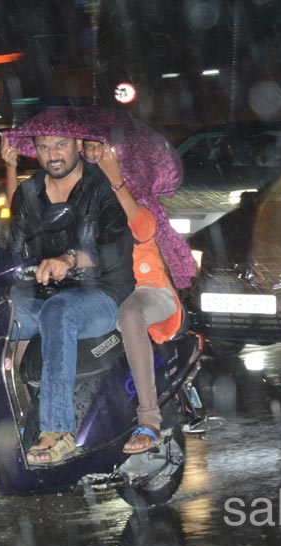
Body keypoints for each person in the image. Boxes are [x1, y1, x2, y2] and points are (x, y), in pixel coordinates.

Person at [0, 133, 134, 464]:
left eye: (60, 145)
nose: (52, 155)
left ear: (77, 144)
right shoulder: (32, 190)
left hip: (102, 292)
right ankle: (24, 412)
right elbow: (17, 232)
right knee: (3, 313)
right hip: (49, 293)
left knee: (58, 313)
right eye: (43, 147)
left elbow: (111, 246)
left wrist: (70, 259)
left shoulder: (101, 187)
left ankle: (59, 431)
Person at [82, 140, 183, 454]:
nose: (95, 154)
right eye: (88, 148)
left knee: (129, 316)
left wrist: (116, 180)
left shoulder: (133, 189)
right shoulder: (83, 194)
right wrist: (12, 167)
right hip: (105, 290)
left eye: (101, 148)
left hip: (149, 291)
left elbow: (142, 229)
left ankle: (150, 419)